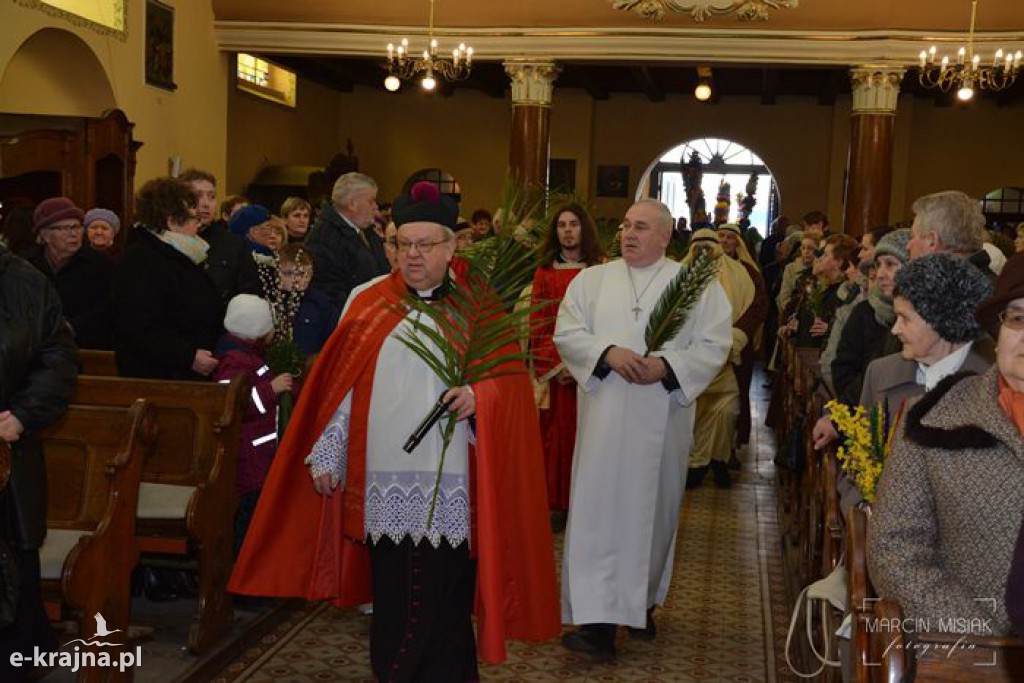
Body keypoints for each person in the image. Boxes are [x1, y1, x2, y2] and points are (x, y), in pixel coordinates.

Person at [229, 182, 560, 680]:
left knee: (444, 601)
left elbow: (508, 386)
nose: (413, 255)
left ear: (452, 247)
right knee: (395, 598)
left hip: (450, 478)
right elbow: (342, 386)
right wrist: (329, 450)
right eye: (404, 243)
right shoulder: (368, 299)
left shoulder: (478, 305)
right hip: (385, 477)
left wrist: (478, 398)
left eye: (426, 244)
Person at [554, 199, 732, 661]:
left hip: (661, 421)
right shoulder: (591, 280)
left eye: (641, 227)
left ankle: (641, 604)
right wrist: (607, 352)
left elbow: (716, 342)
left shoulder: (693, 286)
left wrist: (667, 365)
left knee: (651, 515)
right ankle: (595, 624)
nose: (629, 234)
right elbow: (567, 332)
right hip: (603, 422)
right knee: (596, 516)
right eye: (626, 226)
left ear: (664, 236)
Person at [868, 252, 1024, 637]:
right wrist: (980, 639)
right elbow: (895, 546)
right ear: (999, 327)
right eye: (1019, 319)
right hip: (957, 656)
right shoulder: (935, 415)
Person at [0, 241, 78, 681]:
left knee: (12, 572)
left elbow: (58, 360)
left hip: (7, 452)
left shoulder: (26, 283)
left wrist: (23, 417)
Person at [529, 202, 606, 531]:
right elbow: (539, 324)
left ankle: (591, 503)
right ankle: (559, 504)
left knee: (592, 438)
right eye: (562, 225)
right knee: (558, 438)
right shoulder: (545, 273)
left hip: (593, 373)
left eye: (574, 224)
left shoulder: (602, 271)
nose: (568, 231)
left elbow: (606, 323)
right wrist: (559, 365)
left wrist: (584, 363)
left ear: (583, 229)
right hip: (559, 375)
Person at [114, 177, 223, 380]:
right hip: (161, 376)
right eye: (193, 218)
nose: (198, 225)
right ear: (172, 221)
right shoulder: (141, 260)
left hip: (189, 371)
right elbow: (140, 327)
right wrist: (189, 356)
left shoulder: (183, 253)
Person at [213, 294, 293, 555]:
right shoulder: (235, 361)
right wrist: (271, 390)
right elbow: (233, 404)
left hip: (258, 454)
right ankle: (242, 574)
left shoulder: (248, 355)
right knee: (248, 521)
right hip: (249, 457)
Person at [682, 228, 755, 490]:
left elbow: (751, 308)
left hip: (728, 360)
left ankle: (720, 460)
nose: (703, 253)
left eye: (708, 247)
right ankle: (697, 464)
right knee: (698, 417)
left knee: (727, 413)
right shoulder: (680, 275)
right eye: (697, 247)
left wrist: (734, 338)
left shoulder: (739, 274)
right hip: (695, 364)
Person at [829, 229, 910, 407]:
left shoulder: (921, 318)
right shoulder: (864, 312)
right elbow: (843, 369)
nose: (880, 274)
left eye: (890, 264)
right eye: (878, 265)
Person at [23, 197, 114, 350]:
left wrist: (72, 325)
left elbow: (111, 305)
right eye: (64, 228)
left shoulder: (101, 263)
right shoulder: (26, 264)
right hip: (35, 348)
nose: (73, 234)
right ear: (44, 235)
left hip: (87, 348)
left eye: (77, 227)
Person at [304, 172, 390, 324]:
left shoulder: (365, 230)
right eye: (371, 201)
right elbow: (330, 292)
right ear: (352, 204)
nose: (376, 206)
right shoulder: (323, 239)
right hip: (354, 322)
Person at [717, 223, 767, 449]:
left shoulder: (749, 271)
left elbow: (758, 306)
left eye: (730, 237)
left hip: (738, 342)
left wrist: (738, 333)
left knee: (737, 392)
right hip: (708, 342)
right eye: (721, 236)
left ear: (738, 243)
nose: (725, 240)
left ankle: (732, 446)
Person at [179, 168, 261, 305]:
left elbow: (248, 296)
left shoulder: (235, 245)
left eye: (211, 196)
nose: (206, 204)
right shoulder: (167, 242)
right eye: (197, 196)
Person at [906, 189, 995, 278]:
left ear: (932, 241)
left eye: (912, 236)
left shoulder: (946, 288)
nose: (908, 246)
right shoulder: (989, 285)